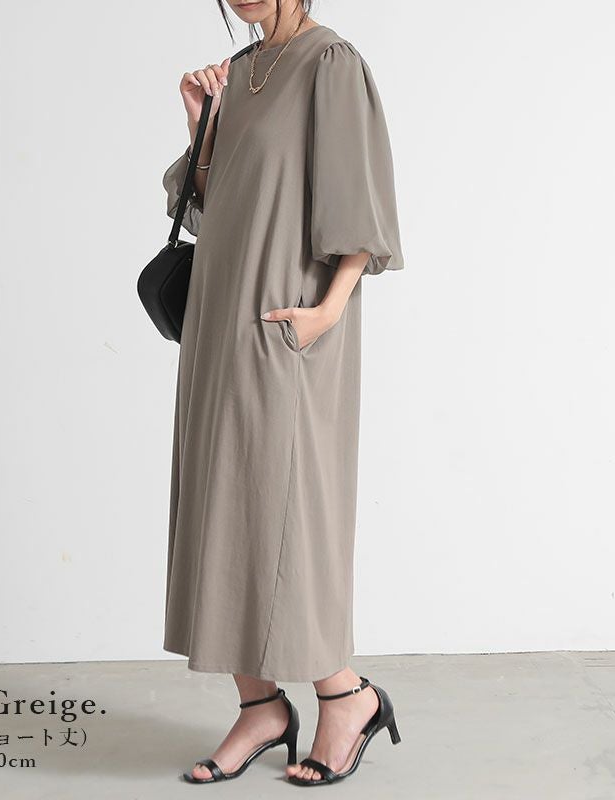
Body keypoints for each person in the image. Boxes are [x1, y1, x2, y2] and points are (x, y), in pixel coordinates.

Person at [160, 0, 404, 786]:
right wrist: (202, 126)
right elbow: (213, 204)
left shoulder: (331, 64)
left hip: (287, 323)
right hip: (219, 326)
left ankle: (346, 697)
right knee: (223, 508)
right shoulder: (237, 72)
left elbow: (358, 202)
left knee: (288, 516)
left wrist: (325, 314)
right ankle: (260, 707)